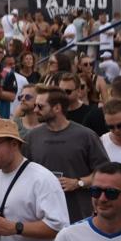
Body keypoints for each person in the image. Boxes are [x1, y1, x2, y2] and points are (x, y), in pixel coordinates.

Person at [24, 88, 109, 223]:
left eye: (40, 106)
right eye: (35, 105)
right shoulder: (32, 137)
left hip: (78, 214)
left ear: (57, 108)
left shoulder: (86, 136)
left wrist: (78, 182)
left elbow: (105, 173)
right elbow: (23, 173)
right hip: (41, 216)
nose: (35, 110)